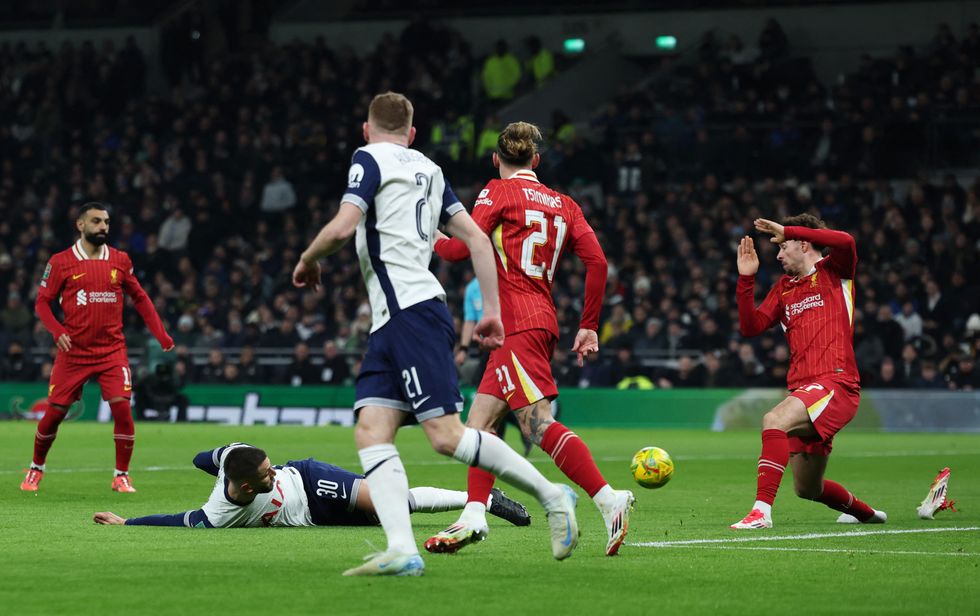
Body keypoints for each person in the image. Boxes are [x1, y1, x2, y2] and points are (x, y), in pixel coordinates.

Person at [290, 92, 579, 577]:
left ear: (366, 129)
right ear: (414, 132)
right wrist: (490, 312)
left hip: (411, 313)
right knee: (371, 430)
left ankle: (554, 497)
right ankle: (401, 550)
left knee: (446, 436)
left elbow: (343, 227)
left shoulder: (369, 158)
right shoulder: (429, 167)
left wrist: (307, 260)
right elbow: (476, 239)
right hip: (395, 319)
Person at [429, 121, 634, 557]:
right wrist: (590, 324)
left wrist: (432, 238)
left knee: (537, 424)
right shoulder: (565, 204)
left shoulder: (496, 192)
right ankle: (473, 515)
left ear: (496, 159)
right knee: (479, 426)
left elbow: (464, 246)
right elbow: (597, 263)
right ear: (536, 160)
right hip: (538, 320)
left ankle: (606, 498)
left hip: (514, 324)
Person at [731, 214, 885, 529]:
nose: (777, 255)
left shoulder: (835, 270)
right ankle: (868, 515)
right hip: (803, 390)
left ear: (804, 243)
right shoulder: (784, 288)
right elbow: (751, 327)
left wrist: (785, 229)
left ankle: (761, 513)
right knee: (807, 488)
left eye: (783, 246)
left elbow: (846, 240)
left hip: (837, 384)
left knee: (774, 420)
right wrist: (746, 280)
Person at [24, 202, 174, 493]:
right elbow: (42, 302)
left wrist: (161, 334)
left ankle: (121, 476)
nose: (103, 227)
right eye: (96, 221)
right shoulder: (60, 261)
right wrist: (57, 331)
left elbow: (140, 297)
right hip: (74, 352)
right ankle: (36, 468)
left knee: (122, 409)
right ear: (81, 225)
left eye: (106, 221)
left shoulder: (120, 260)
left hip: (111, 351)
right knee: (54, 413)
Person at [93, 442, 530, 529]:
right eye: (265, 476)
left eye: (268, 468)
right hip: (315, 518)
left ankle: (485, 500)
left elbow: (198, 457)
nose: (271, 473)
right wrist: (128, 522)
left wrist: (225, 456)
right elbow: (176, 520)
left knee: (389, 503)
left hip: (313, 481)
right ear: (243, 487)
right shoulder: (219, 514)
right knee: (390, 515)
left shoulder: (239, 461)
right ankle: (481, 500)